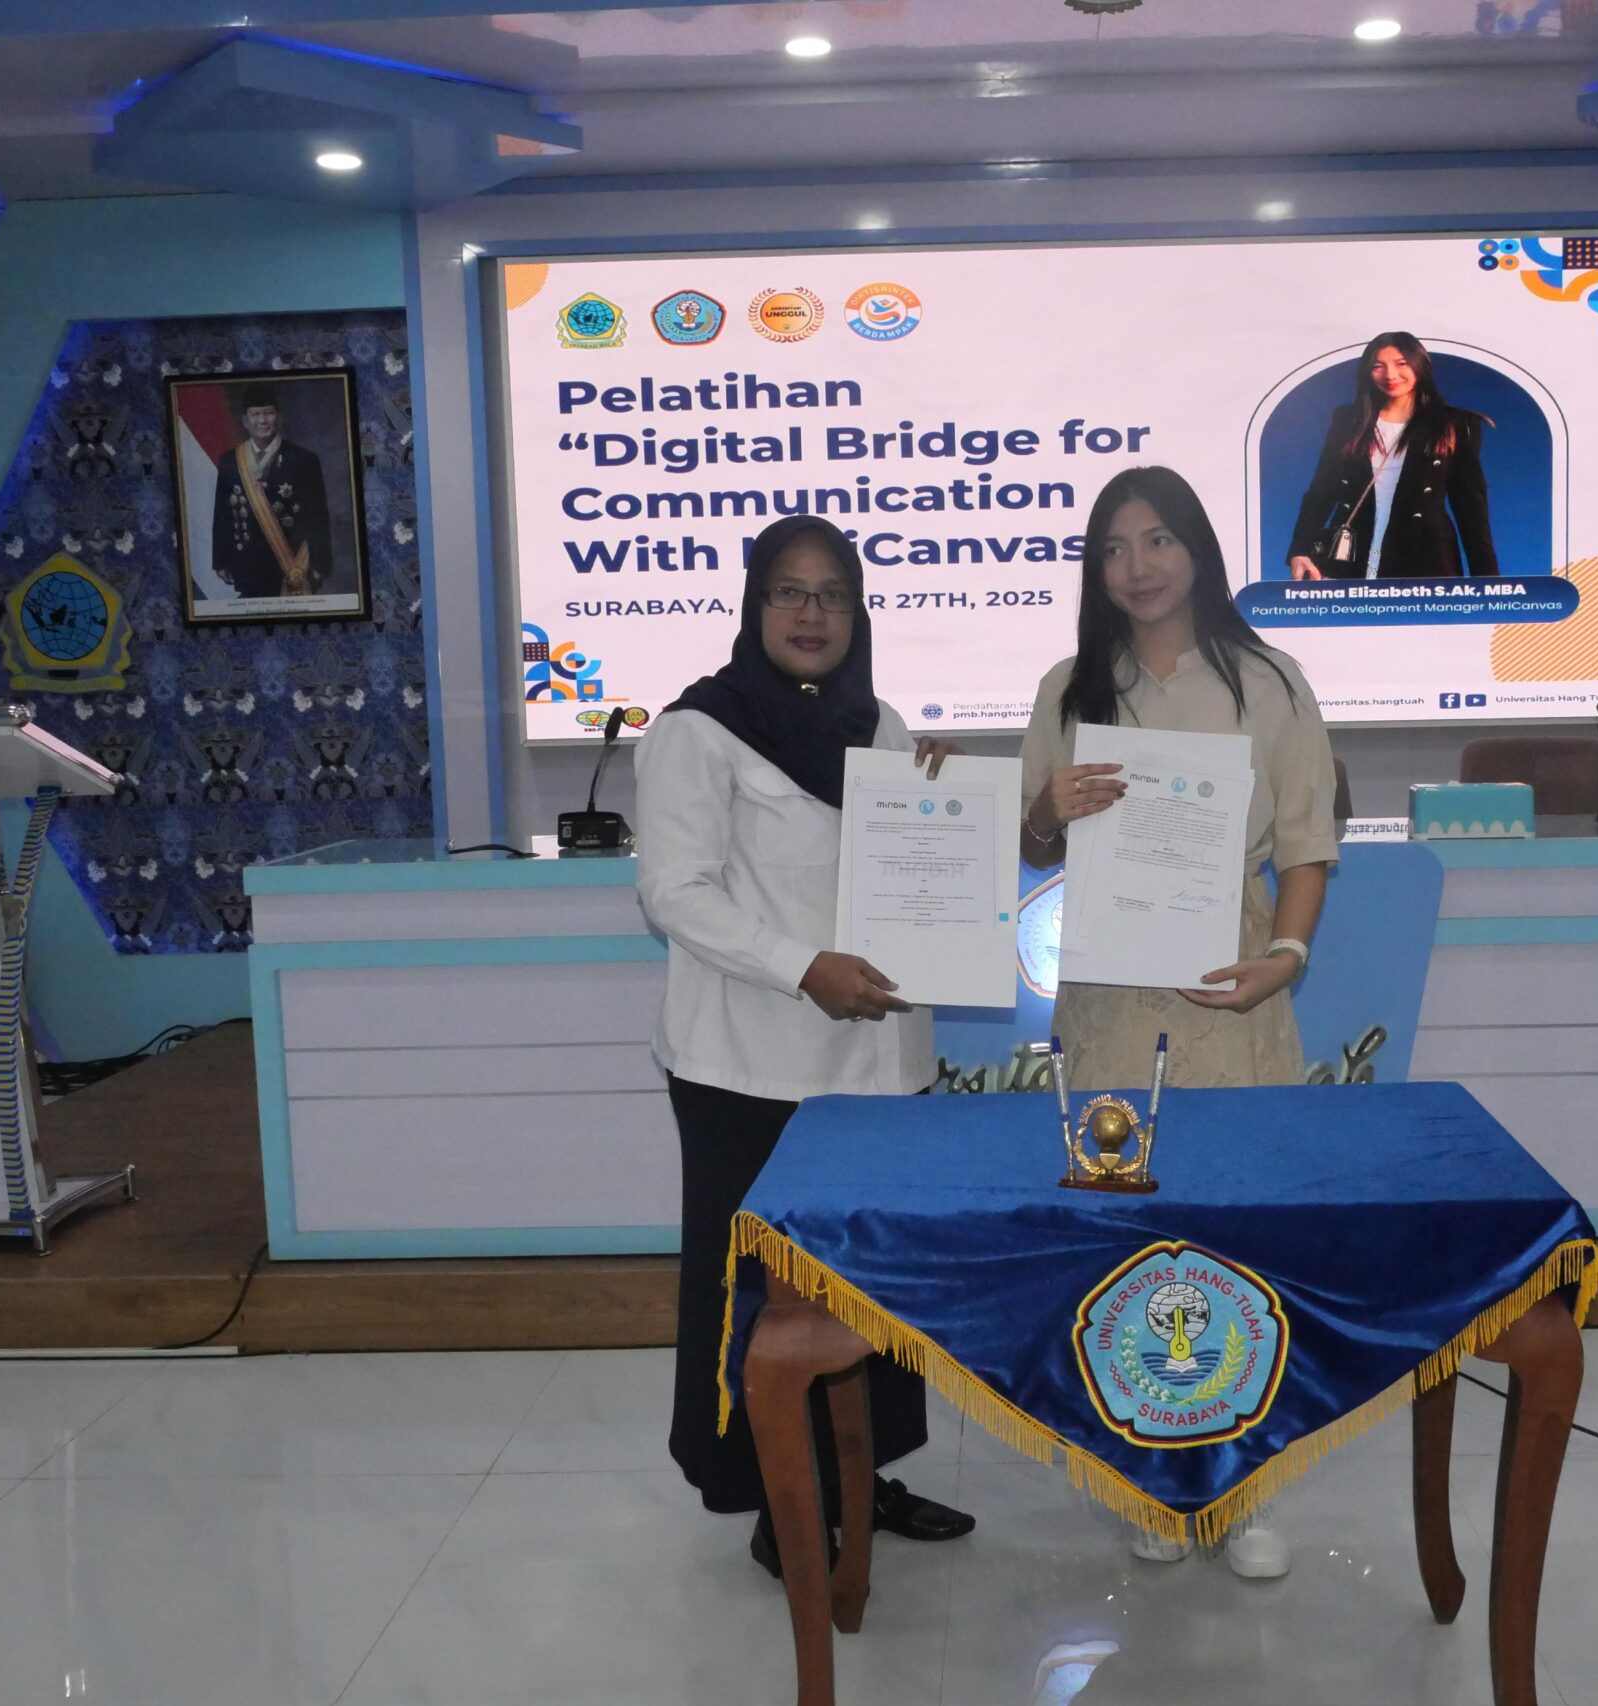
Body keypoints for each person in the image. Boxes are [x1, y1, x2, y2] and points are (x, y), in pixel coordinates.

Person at [636, 514, 976, 1580]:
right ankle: (774, 1500)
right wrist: (801, 966)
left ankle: (861, 1478)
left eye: (833, 593)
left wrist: (948, 807)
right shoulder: (699, 729)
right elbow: (674, 892)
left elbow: (915, 874)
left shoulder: (883, 726)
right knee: (761, 1298)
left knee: (874, 1282)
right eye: (789, 590)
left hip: (880, 1069)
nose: (812, 612)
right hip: (751, 1069)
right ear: (754, 605)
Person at [1020, 466, 1340, 1579]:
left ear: (1197, 547)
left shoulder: (1268, 680)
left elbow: (1306, 844)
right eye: (1113, 548)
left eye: (1157, 539)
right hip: (1110, 997)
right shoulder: (1069, 686)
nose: (1137, 566)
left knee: (1238, 1231)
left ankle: (1245, 1489)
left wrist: (1284, 961)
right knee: (1129, 1234)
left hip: (1229, 984)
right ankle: (1152, 1479)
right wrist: (1046, 809)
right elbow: (1034, 843)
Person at [1288, 332, 1497, 581]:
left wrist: (1489, 582)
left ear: (1420, 365)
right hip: (1349, 553)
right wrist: (1299, 550)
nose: (1390, 375)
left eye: (1402, 363)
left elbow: (1470, 507)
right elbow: (1322, 490)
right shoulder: (1348, 420)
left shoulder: (1454, 423)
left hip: (1424, 556)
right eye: (1378, 366)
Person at [211, 383, 335, 600]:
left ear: (279, 417)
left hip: (292, 567)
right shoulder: (230, 461)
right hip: (247, 566)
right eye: (255, 414)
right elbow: (223, 514)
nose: (262, 420)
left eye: (268, 413)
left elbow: (318, 518)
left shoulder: (303, 459)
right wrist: (221, 561)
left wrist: (320, 565)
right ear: (245, 421)